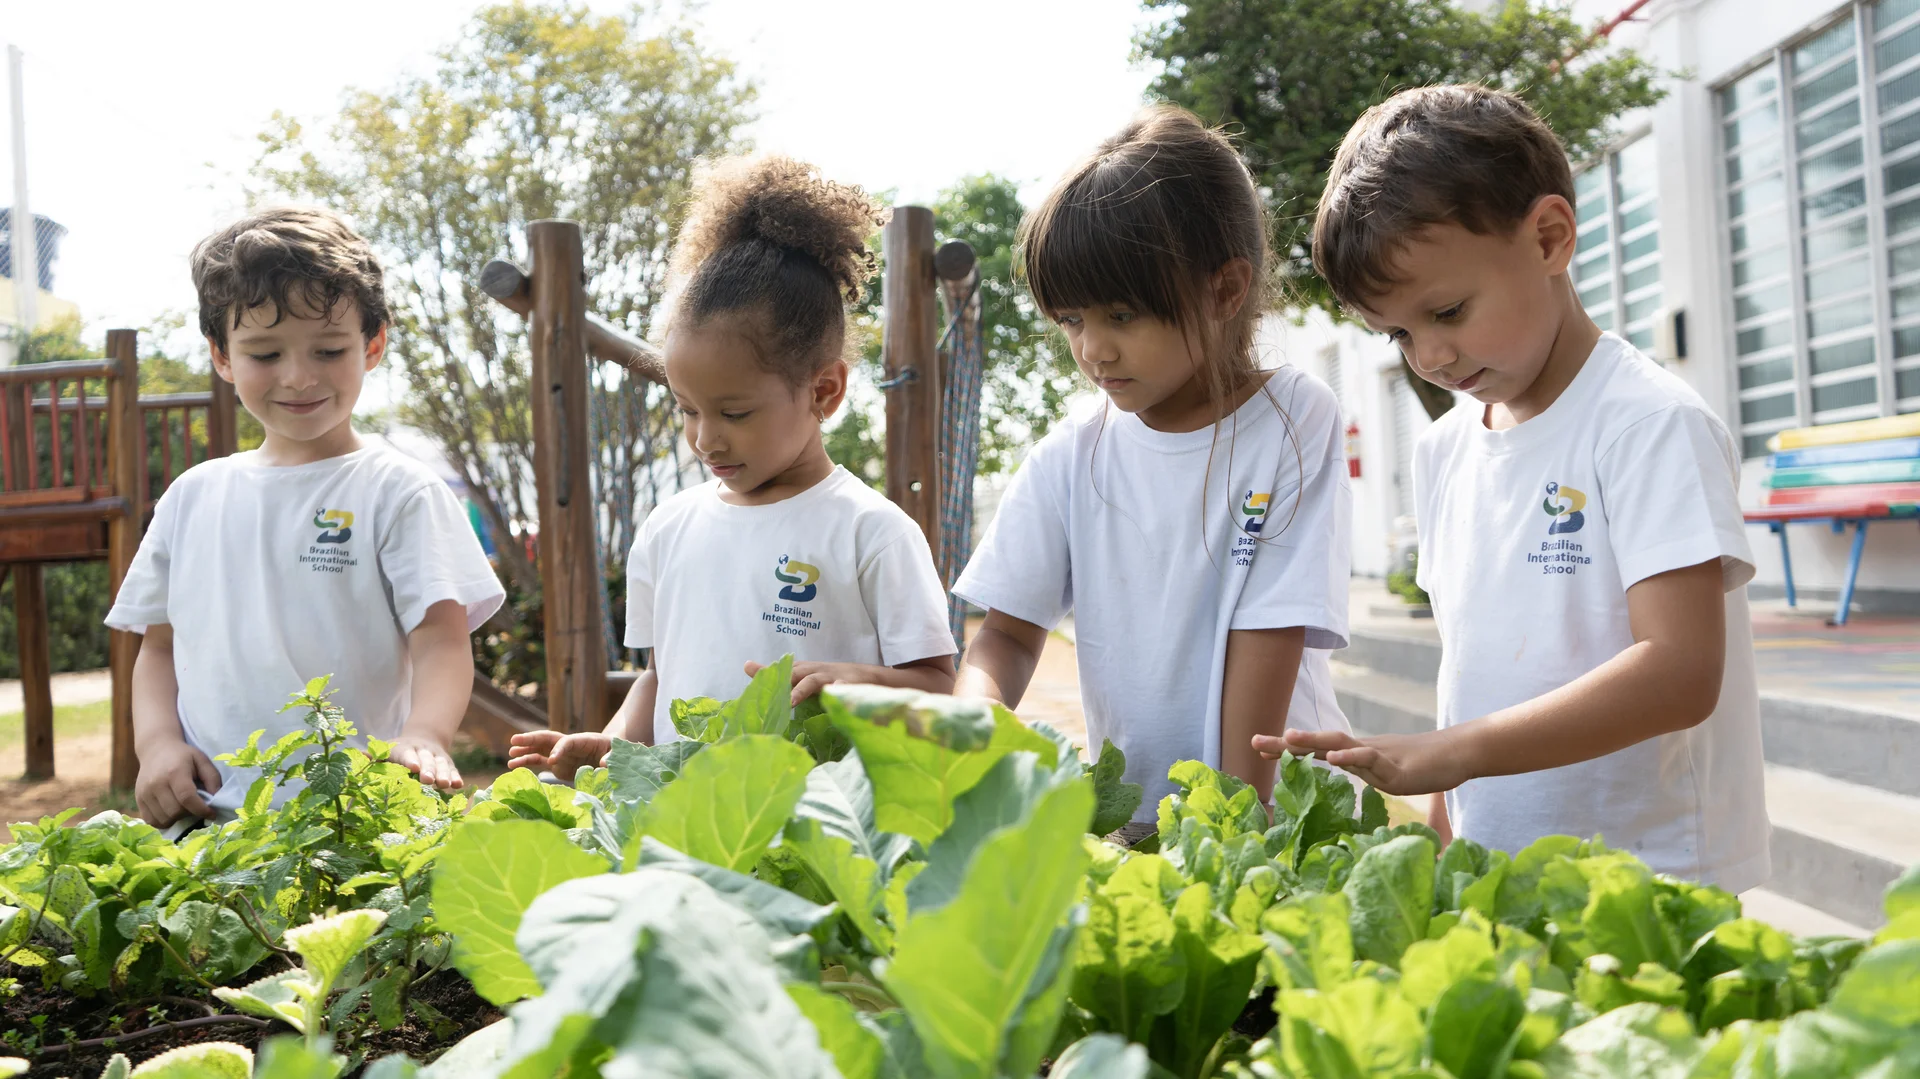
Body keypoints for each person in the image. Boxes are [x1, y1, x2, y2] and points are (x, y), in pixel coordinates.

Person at [1269, 84, 1770, 892]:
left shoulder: (1647, 423)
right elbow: (1469, 673)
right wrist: (1444, 827)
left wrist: (1449, 752)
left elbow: (1680, 670)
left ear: (1549, 237)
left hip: (1652, 885)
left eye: (1449, 310)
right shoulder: (1444, 452)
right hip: (1497, 873)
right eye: (1398, 333)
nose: (1428, 356)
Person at [951, 105, 1354, 839]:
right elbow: (1006, 634)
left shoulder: (1294, 417)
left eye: (1122, 314)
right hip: (1137, 826)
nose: (1093, 349)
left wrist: (1234, 827)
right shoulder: (1071, 454)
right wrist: (973, 719)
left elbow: (1268, 633)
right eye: (1072, 319)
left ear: (1224, 291)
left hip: (1280, 813)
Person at [508, 156, 956, 778]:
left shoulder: (870, 532)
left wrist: (859, 681)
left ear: (824, 392)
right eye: (688, 410)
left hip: (816, 835)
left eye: (735, 413)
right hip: (683, 828)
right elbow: (660, 680)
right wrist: (615, 746)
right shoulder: (668, 529)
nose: (706, 440)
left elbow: (938, 687)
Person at [106, 207, 506, 829]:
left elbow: (442, 639)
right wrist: (156, 745)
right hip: (208, 814)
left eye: (328, 349)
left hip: (355, 813)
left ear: (372, 345)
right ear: (222, 356)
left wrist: (425, 733)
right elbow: (158, 648)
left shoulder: (399, 490)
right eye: (265, 353)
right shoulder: (191, 497)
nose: (298, 377)